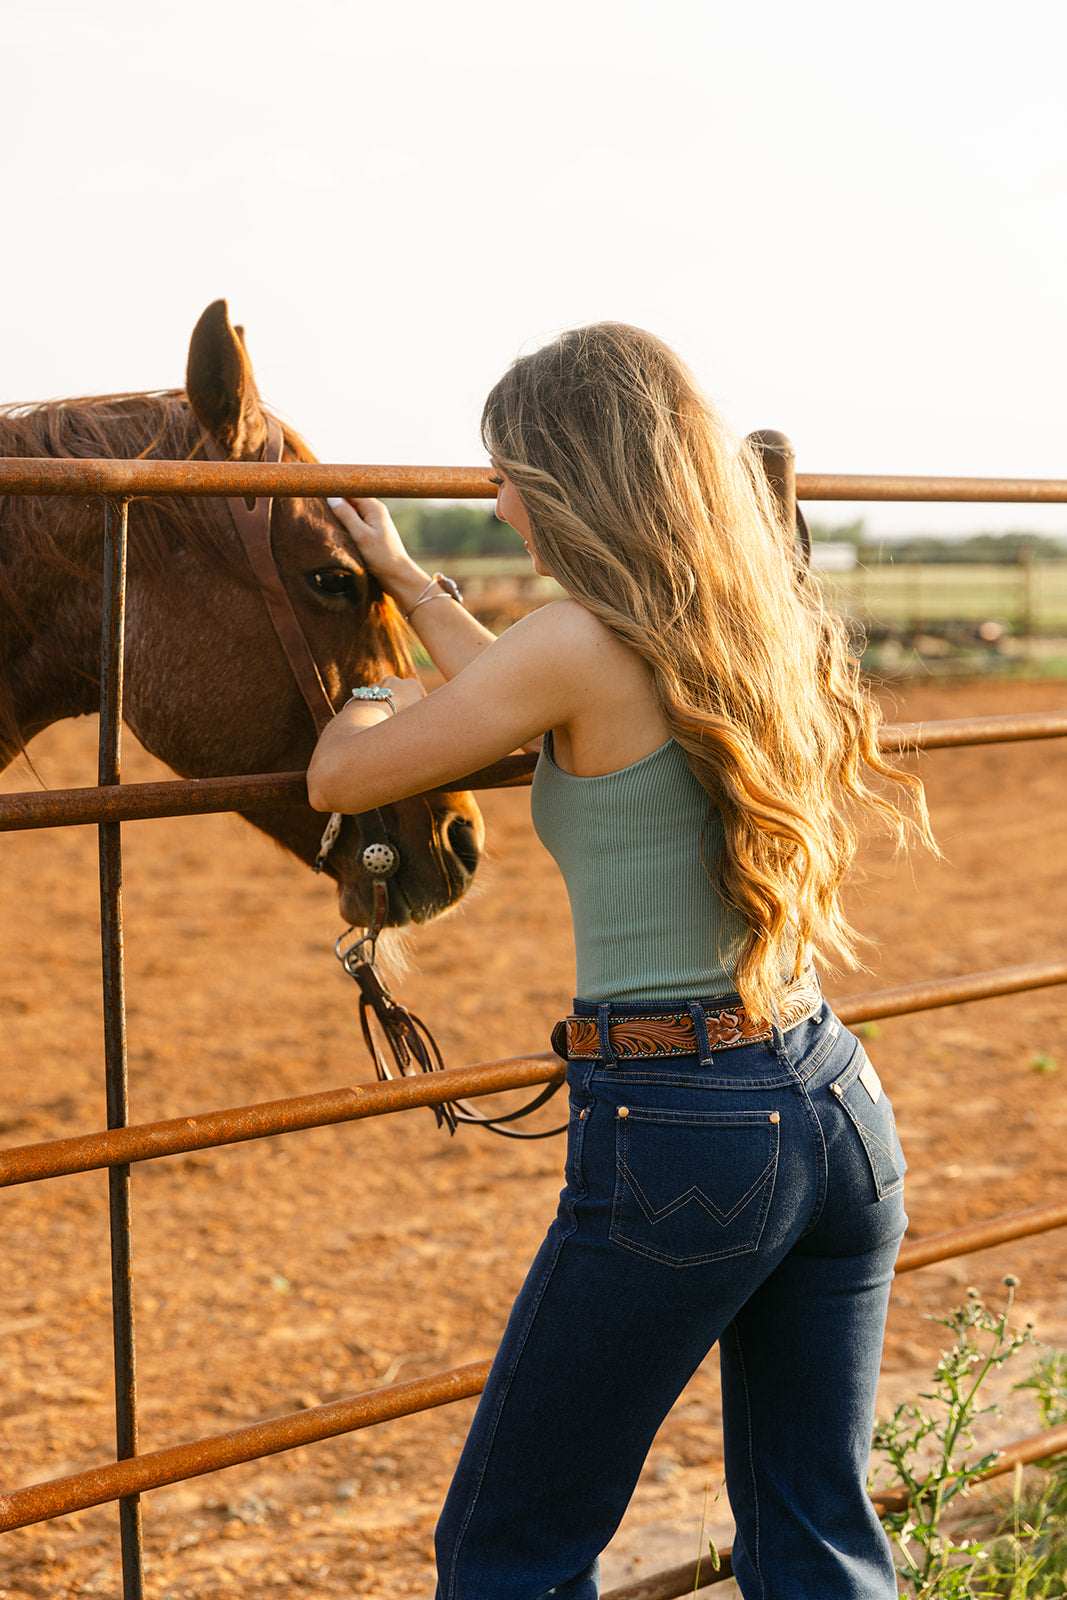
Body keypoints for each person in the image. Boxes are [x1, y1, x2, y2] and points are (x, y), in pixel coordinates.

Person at [308, 323, 934, 1600]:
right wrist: (412, 578)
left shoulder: (573, 640)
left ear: (568, 475)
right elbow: (532, 696)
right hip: (828, 1101)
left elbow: (343, 773)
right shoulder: (734, 623)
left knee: (507, 1549)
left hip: (684, 1135)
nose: (492, 496)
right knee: (814, 1529)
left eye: (503, 471)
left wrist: (368, 686)